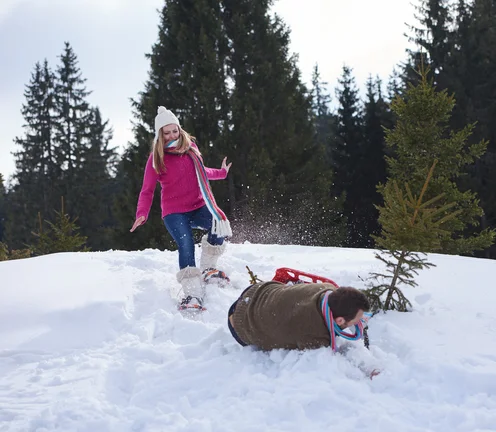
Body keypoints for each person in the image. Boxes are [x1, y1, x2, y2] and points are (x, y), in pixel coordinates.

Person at [130, 106, 232, 307]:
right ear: (160, 134)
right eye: (166, 133)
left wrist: (222, 173)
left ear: (179, 129)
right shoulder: (157, 158)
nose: (171, 136)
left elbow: (202, 173)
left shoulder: (191, 149)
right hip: (175, 213)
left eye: (174, 131)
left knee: (217, 223)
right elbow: (147, 190)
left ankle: (208, 268)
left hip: (198, 206)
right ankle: (192, 293)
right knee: (185, 244)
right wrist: (142, 213)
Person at [228, 281, 370, 351]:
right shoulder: (316, 336)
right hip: (241, 325)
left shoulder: (328, 289)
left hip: (257, 290)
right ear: (339, 320)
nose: (359, 322)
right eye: (356, 320)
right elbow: (329, 358)